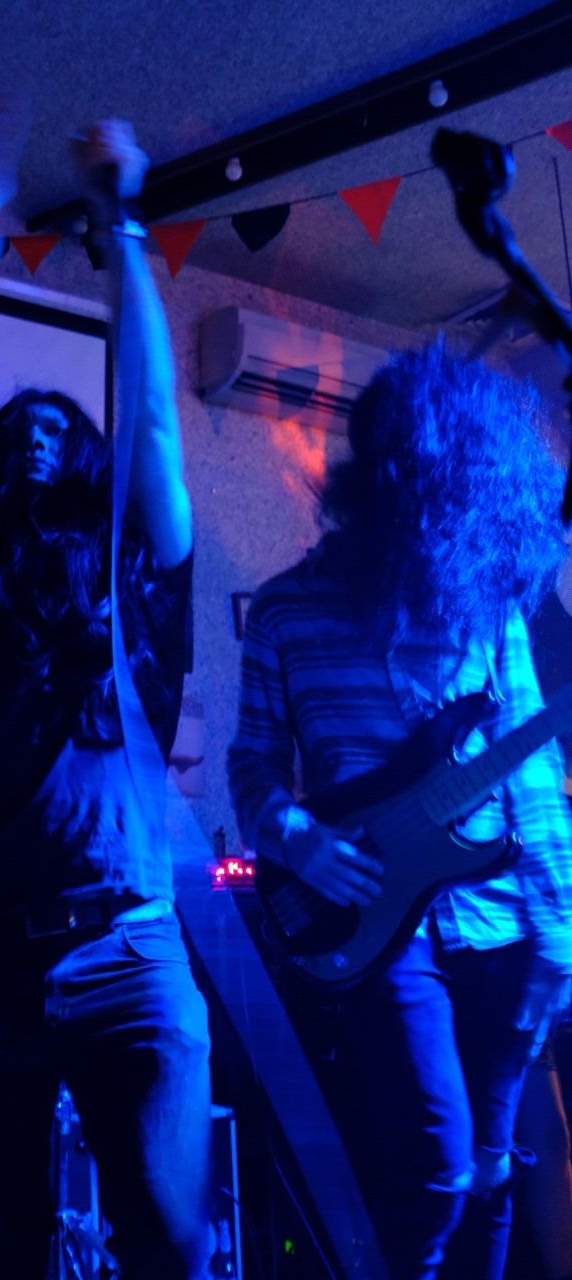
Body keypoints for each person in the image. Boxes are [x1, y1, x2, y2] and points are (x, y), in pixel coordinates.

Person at [0, 100, 211, 1280]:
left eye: (54, 421)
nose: (29, 425)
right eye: (12, 421)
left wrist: (122, 227)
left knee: (168, 1246)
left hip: (128, 949)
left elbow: (155, 421)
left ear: (84, 466)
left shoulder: (134, 582)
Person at [227, 342, 572, 1280]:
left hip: (497, 917)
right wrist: (293, 837)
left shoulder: (486, 607)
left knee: (492, 1171)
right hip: (377, 923)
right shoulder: (285, 610)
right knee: (436, 1169)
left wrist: (558, 931)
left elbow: (530, 775)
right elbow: (251, 761)